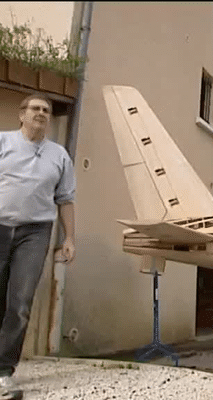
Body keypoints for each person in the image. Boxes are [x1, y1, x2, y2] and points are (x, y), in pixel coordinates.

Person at [0, 93, 76, 399]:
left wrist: (70, 238)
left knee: (19, 303)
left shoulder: (59, 156)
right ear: (22, 114)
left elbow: (66, 199)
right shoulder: (3, 142)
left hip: (35, 233)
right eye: (35, 108)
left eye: (46, 110)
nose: (41, 113)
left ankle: (3, 373)